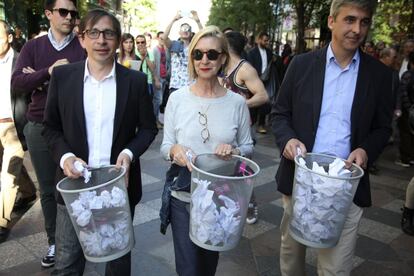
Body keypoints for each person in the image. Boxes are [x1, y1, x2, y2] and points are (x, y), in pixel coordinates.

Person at [271, 0, 394, 275]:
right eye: (349, 19)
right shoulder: (301, 65)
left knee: (336, 269)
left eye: (364, 22)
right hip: (300, 179)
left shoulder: (380, 76)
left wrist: (365, 150)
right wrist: (288, 140)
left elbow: (383, 128)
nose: (356, 29)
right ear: (331, 21)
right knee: (291, 259)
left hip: (347, 184)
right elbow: (280, 114)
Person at [42, 9, 158, 275]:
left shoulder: (136, 81)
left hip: (118, 186)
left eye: (108, 33)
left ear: (118, 40)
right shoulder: (63, 78)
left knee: (117, 261)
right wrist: (66, 157)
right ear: (81, 39)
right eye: (93, 33)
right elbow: (50, 128)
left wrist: (128, 153)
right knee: (67, 263)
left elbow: (148, 129)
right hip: (73, 186)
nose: (101, 40)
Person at [160, 26, 253, 276]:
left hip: (220, 196)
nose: (204, 60)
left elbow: (248, 146)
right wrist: (175, 150)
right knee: (188, 269)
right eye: (198, 54)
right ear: (191, 58)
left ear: (223, 58)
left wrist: (234, 150)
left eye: (212, 54)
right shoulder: (177, 99)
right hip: (184, 195)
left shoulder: (237, 103)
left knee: (207, 265)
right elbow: (165, 146)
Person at [11, 0, 85, 268]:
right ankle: (55, 241)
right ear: (49, 14)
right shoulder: (33, 46)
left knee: (76, 181)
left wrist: (42, 79)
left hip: (74, 125)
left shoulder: (82, 46)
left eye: (74, 14)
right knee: (48, 188)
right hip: (39, 124)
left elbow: (87, 81)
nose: (69, 18)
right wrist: (48, 73)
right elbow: (18, 82)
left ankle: (80, 237)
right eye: (63, 12)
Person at [222, 31, 269, 224]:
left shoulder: (244, 69)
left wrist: (242, 103)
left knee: (242, 170)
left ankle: (250, 205)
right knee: (224, 168)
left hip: (241, 130)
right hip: (223, 127)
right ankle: (229, 204)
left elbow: (263, 96)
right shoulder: (221, 65)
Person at [0, 19, 36, 243]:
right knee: (10, 167)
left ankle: (2, 221)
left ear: (9, 38)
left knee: (8, 174)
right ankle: (30, 192)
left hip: (14, 126)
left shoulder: (22, 61)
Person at [160, 11, 203, 108]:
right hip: (176, 86)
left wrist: (198, 21)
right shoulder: (174, 45)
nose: (185, 30)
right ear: (179, 32)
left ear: (191, 33)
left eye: (188, 29)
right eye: (183, 28)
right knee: (176, 112)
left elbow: (204, 37)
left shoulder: (195, 46)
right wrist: (173, 20)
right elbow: (164, 37)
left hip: (192, 85)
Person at [247, 32, 273, 134]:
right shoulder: (252, 53)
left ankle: (261, 124)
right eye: (265, 40)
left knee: (264, 103)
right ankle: (252, 122)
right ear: (259, 40)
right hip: (254, 81)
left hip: (266, 80)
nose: (267, 42)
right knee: (254, 102)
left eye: (267, 40)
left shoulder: (269, 53)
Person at [395, 51, 414, 168]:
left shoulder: (407, 75)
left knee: (406, 134)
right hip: (410, 109)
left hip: (408, 111)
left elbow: (402, 93)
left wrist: (406, 107)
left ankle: (406, 158)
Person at [153, 31, 170, 126]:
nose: (162, 40)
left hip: (165, 77)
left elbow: (168, 63)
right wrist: (156, 79)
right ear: (157, 39)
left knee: (162, 100)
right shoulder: (155, 50)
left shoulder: (166, 49)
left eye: (164, 38)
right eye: (161, 38)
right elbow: (154, 65)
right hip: (158, 78)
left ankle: (157, 119)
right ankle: (154, 120)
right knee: (158, 100)